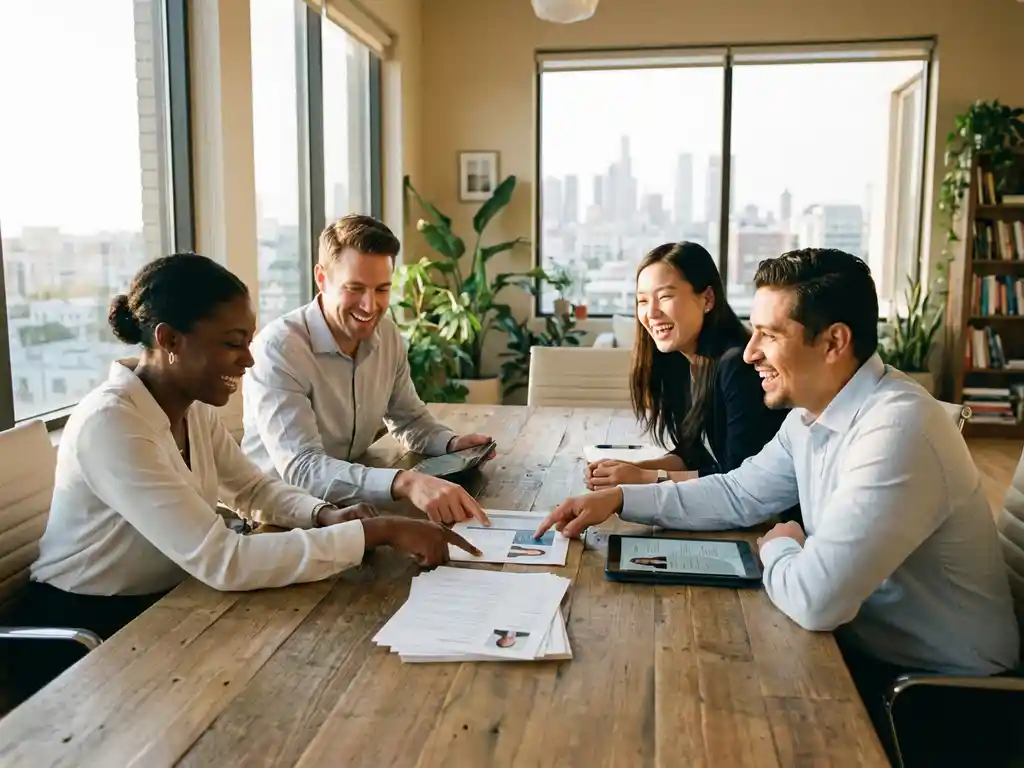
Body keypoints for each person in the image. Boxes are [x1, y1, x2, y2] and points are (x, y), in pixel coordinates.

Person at [537, 249, 1019, 762]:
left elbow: (816, 599)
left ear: (834, 341)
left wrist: (782, 547)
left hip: (941, 703)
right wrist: (621, 499)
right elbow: (738, 492)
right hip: (871, 656)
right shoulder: (814, 414)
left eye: (769, 335)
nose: (748, 354)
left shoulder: (898, 428)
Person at [24, 254, 479, 645]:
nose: (248, 359)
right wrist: (378, 532)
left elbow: (253, 490)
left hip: (174, 601)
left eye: (248, 340)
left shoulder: (188, 405)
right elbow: (225, 561)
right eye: (232, 343)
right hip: (93, 633)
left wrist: (324, 514)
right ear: (169, 341)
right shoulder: (113, 424)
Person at [242, 215, 494, 525]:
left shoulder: (387, 336)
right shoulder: (278, 349)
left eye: (382, 289)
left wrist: (452, 445)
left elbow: (409, 419)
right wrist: (406, 482)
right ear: (321, 279)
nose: (369, 305)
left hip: (352, 508)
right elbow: (302, 469)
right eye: (355, 288)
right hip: (276, 519)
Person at [585, 242, 786, 491]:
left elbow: (740, 479)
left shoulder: (738, 365)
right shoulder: (680, 361)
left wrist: (646, 478)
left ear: (707, 299)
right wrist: (632, 469)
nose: (652, 313)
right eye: (643, 301)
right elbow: (695, 454)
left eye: (665, 296)